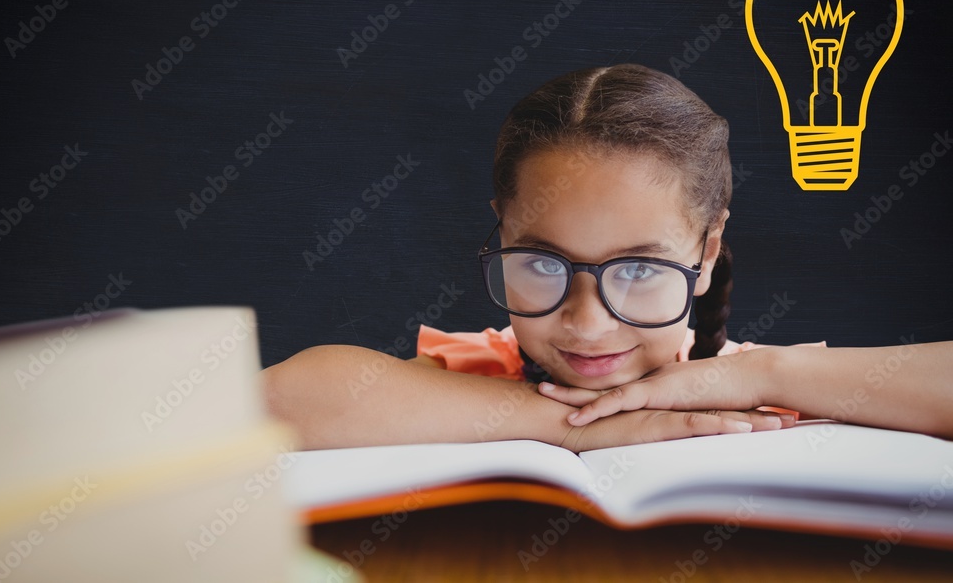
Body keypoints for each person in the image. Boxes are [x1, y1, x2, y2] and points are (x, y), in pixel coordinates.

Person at [262, 64, 953, 451]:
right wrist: (572, 425)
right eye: (540, 263)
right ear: (501, 233)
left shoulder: (754, 393)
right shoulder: (464, 384)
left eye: (641, 270)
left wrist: (764, 369)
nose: (587, 326)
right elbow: (280, 401)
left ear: (705, 252)